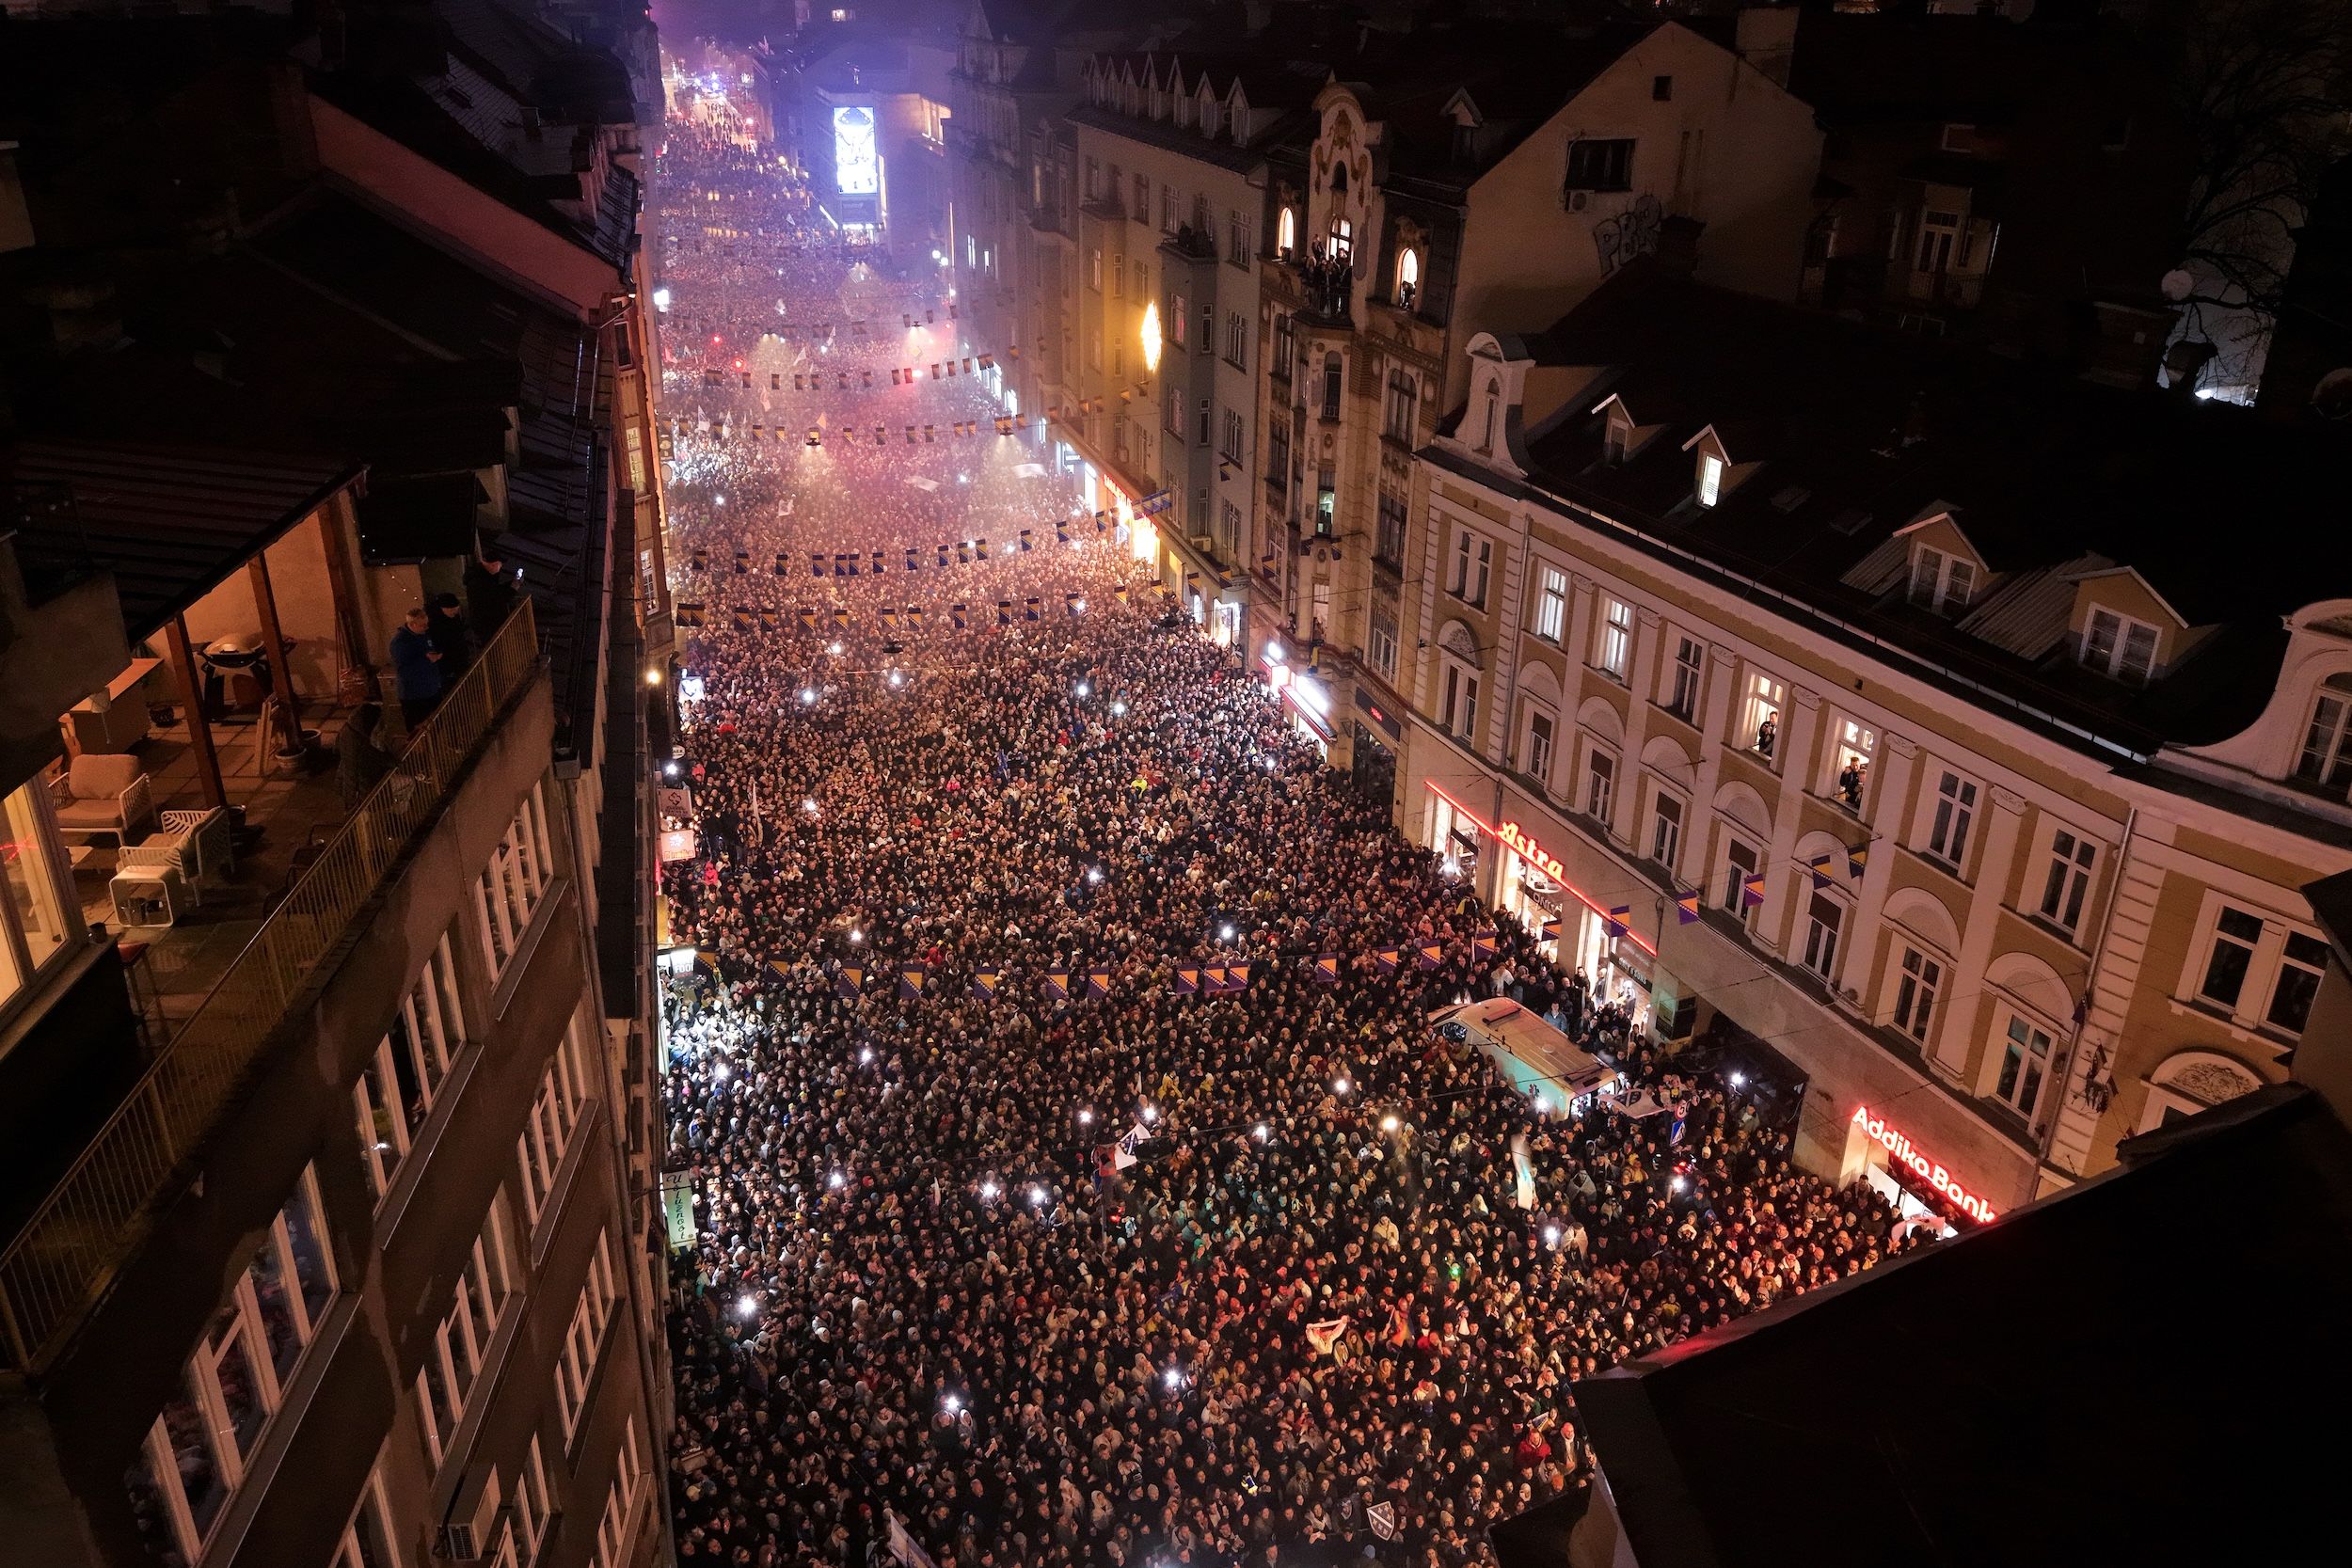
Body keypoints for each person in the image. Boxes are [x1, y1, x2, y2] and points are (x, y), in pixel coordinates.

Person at [389, 606, 443, 727]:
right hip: (414, 693)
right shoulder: (400, 642)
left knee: (436, 724)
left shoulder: (423, 636)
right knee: (417, 727)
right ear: (412, 624)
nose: (426, 627)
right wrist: (426, 659)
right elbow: (403, 664)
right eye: (423, 625)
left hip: (430, 689)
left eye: (426, 624)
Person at [335, 702, 392, 806]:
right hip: (370, 794)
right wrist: (350, 803)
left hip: (363, 790)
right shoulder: (362, 744)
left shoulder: (349, 732)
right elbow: (386, 760)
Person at [466, 546, 519, 643]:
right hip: (488, 623)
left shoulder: (483, 577)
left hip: (489, 622)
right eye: (499, 564)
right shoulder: (480, 580)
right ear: (493, 564)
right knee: (494, 648)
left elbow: (496, 592)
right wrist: (512, 589)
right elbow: (495, 599)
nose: (500, 567)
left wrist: (511, 584)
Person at [428, 591, 474, 679]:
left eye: (456, 609)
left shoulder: (454, 620)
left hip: (458, 660)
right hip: (445, 662)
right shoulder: (434, 624)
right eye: (452, 609)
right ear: (443, 608)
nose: (454, 612)